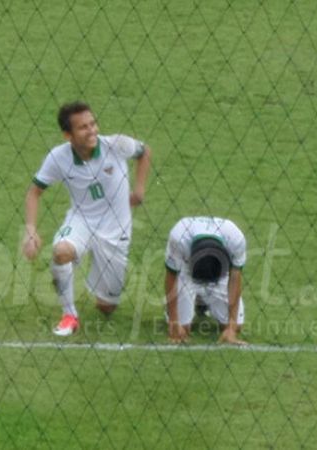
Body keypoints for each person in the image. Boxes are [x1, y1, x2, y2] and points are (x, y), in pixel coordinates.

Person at [22, 101, 151, 336]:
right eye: (83, 127)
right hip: (81, 222)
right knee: (61, 252)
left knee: (107, 307)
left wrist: (140, 190)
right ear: (67, 135)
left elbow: (144, 152)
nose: (92, 130)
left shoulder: (117, 145)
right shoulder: (58, 157)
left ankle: (95, 278)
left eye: (93, 124)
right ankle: (69, 315)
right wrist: (31, 230)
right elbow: (34, 192)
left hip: (115, 230)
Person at [164, 216, 247, 345]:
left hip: (218, 273)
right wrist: (174, 321)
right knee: (182, 331)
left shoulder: (236, 239)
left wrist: (231, 328)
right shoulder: (179, 237)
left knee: (236, 326)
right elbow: (171, 276)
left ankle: (202, 301)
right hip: (186, 270)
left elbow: (235, 279)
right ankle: (186, 303)